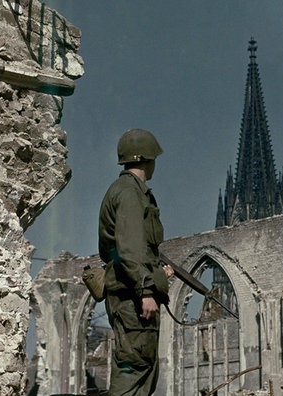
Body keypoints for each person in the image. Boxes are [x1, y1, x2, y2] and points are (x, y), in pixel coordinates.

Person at [98, 128, 173, 396]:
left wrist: (158, 275)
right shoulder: (130, 193)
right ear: (146, 158)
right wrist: (147, 290)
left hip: (131, 293)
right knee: (133, 372)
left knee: (142, 375)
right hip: (133, 297)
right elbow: (129, 249)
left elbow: (135, 249)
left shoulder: (127, 191)